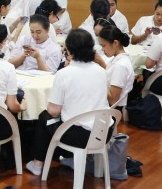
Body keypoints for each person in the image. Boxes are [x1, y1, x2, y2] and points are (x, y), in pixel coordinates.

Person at [25, 29, 110, 176]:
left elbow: (54, 111)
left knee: (45, 117)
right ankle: (69, 158)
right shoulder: (101, 71)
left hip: (78, 135)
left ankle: (38, 163)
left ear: (69, 50)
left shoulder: (64, 74)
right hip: (103, 132)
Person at [97, 24, 135, 109]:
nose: (102, 49)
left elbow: (113, 100)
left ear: (115, 43)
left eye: (103, 45)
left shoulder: (120, 66)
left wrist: (97, 82)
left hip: (111, 109)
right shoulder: (119, 59)